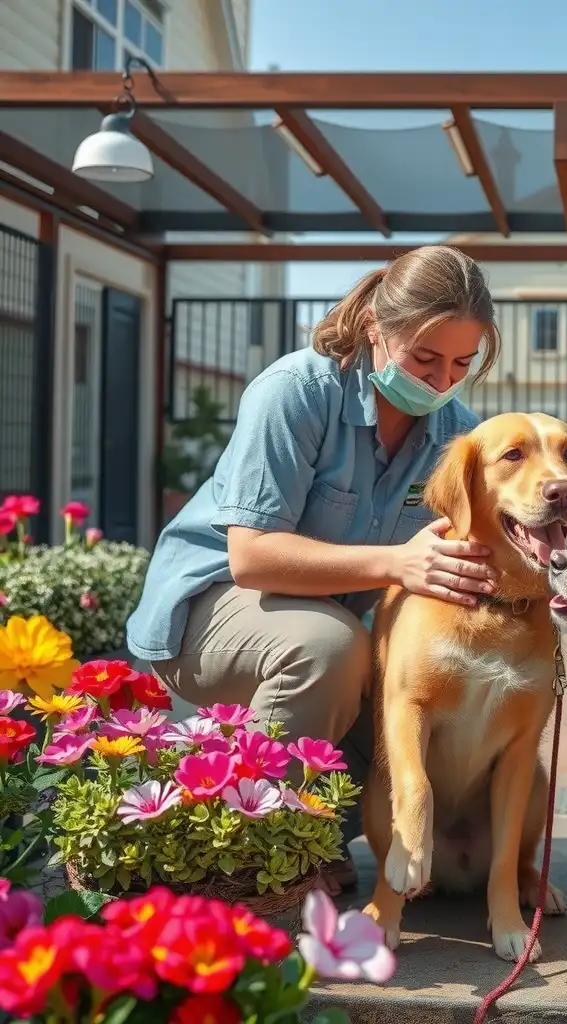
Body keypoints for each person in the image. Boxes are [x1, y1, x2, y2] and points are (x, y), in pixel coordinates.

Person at [125, 244, 502, 894]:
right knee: (330, 648)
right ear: (376, 329)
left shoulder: (455, 432)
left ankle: (307, 835)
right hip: (210, 609)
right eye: (424, 358)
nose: (441, 382)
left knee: (418, 691)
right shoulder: (296, 391)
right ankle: (252, 859)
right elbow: (252, 555)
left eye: (461, 364)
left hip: (335, 634)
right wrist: (397, 563)